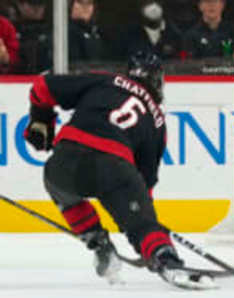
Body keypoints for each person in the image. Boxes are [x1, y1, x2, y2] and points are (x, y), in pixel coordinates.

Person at [22, 51, 215, 289]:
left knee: (62, 192)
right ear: (157, 80)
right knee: (142, 225)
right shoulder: (157, 122)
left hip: (62, 164)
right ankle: (167, 260)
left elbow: (42, 86)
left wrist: (40, 119)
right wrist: (144, 220)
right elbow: (145, 184)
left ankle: (99, 244)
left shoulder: (105, 79)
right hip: (111, 168)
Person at [118, 0, 183, 61]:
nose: (153, 7)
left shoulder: (176, 35)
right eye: (147, 1)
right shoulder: (127, 35)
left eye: (156, 1)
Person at [13, 0, 52, 73]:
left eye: (40, 4)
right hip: (17, 79)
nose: (37, 8)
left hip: (46, 78)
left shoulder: (53, 30)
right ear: (20, 5)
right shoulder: (11, 30)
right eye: (32, 4)